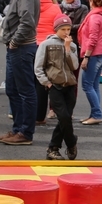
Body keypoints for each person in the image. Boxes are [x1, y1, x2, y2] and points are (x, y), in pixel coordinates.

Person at [0, 0, 41, 146]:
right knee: (13, 90)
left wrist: (14, 42)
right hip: (17, 47)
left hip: (22, 48)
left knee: (25, 91)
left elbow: (27, 21)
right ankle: (18, 129)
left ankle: (25, 132)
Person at [35, 14, 79, 160]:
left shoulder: (72, 46)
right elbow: (38, 67)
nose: (66, 32)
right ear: (56, 29)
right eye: (63, 29)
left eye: (68, 29)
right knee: (64, 116)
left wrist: (67, 49)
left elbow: (75, 66)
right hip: (55, 86)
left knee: (64, 120)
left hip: (70, 86)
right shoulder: (46, 44)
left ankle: (53, 149)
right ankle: (70, 142)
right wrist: (47, 83)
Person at [77, 0, 102, 125]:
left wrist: (86, 57)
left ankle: (96, 114)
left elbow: (92, 39)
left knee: (86, 85)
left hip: (94, 55)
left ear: (92, 1)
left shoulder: (94, 17)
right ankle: (94, 113)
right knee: (94, 85)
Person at [34, 0, 61, 126]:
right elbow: (59, 29)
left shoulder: (31, 5)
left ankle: (23, 112)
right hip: (47, 47)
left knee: (28, 81)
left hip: (30, 44)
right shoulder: (55, 8)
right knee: (42, 83)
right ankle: (40, 116)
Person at [60, 0, 88, 75]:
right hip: (60, 44)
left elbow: (82, 25)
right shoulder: (60, 7)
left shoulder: (83, 8)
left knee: (73, 75)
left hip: (75, 44)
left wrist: (64, 28)